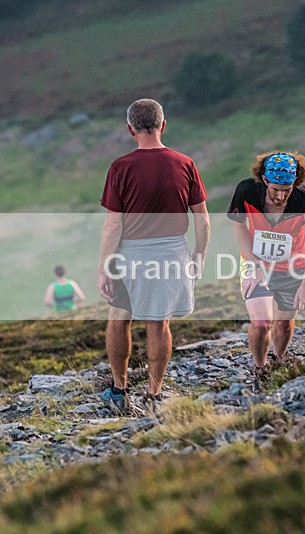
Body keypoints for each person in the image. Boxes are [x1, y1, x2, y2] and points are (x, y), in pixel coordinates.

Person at [97, 98, 210, 414]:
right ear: (163, 125)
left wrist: (104, 266)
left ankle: (119, 391)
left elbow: (113, 225)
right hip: (172, 252)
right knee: (158, 324)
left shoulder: (120, 167)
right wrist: (199, 254)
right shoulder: (185, 163)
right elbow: (202, 220)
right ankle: (154, 394)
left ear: (130, 129)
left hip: (131, 253)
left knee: (119, 318)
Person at [227, 151, 305, 392]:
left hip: (293, 267)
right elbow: (238, 226)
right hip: (255, 263)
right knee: (261, 323)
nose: (281, 196)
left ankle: (280, 359)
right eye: (275, 190)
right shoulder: (247, 191)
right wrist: (255, 264)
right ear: (265, 180)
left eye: (287, 190)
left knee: (284, 323)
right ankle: (260, 370)